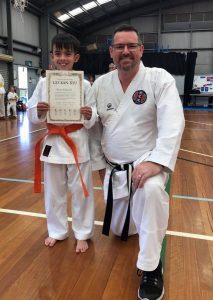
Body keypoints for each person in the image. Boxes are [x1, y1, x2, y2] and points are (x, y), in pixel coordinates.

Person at [89, 24, 185, 300]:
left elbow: (173, 123)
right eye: (119, 47)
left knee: (152, 190)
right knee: (123, 232)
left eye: (131, 45)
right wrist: (99, 167)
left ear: (141, 50)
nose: (126, 51)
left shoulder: (158, 79)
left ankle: (152, 267)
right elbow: (94, 130)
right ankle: (135, 223)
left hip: (146, 161)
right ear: (112, 52)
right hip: (114, 168)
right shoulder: (100, 85)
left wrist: (157, 162)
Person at [27, 33, 97, 253]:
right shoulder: (43, 83)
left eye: (68, 53)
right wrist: (38, 111)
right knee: (54, 192)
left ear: (76, 57)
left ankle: (82, 233)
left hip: (77, 142)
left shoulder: (85, 85)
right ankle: (57, 231)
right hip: (54, 142)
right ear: (52, 56)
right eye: (58, 53)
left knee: (81, 191)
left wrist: (89, 114)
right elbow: (30, 112)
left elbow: (94, 114)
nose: (63, 58)